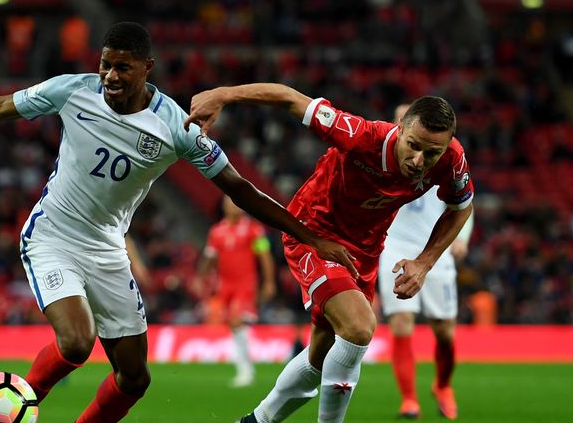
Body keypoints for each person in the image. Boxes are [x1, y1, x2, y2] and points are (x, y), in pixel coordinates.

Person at [0, 22, 345, 423]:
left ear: (146, 68)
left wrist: (308, 235)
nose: (109, 76)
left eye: (122, 68)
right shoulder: (71, 91)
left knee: (135, 379)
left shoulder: (176, 127)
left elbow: (239, 189)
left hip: (107, 249)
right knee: (78, 343)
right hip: (54, 236)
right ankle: (13, 407)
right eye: (105, 65)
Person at [185, 84, 474, 423]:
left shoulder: (452, 157)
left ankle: (255, 421)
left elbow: (461, 207)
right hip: (313, 235)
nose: (419, 161)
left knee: (320, 354)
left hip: (364, 252)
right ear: (399, 130)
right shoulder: (359, 135)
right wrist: (223, 95)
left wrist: (424, 263)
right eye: (413, 146)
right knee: (359, 327)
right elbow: (291, 99)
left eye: (431, 154)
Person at [378, 104, 475, 420]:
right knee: (401, 323)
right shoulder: (379, 156)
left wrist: (461, 240)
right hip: (393, 247)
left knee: (445, 332)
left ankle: (443, 385)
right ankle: (409, 400)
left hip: (436, 249)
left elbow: (463, 204)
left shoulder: (444, 160)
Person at [195, 195, 277, 387]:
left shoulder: (253, 229)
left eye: (234, 201)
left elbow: (264, 256)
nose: (232, 205)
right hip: (225, 284)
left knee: (237, 320)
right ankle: (244, 365)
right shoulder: (217, 231)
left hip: (245, 283)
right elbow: (209, 257)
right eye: (228, 202)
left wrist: (269, 282)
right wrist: (201, 277)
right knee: (233, 324)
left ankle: (245, 371)